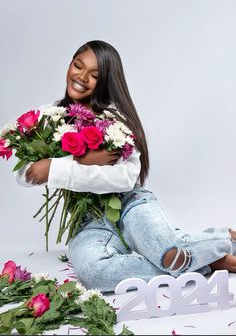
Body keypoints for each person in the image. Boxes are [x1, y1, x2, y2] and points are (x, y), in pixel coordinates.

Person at [16, 40, 236, 292]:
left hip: (130, 203)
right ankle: (207, 260)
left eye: (95, 75)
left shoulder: (115, 121)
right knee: (94, 273)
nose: (82, 77)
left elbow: (123, 178)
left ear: (107, 81)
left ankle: (218, 242)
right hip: (90, 222)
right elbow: (27, 174)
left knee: (170, 253)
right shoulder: (49, 116)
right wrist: (81, 159)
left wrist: (55, 168)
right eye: (78, 66)